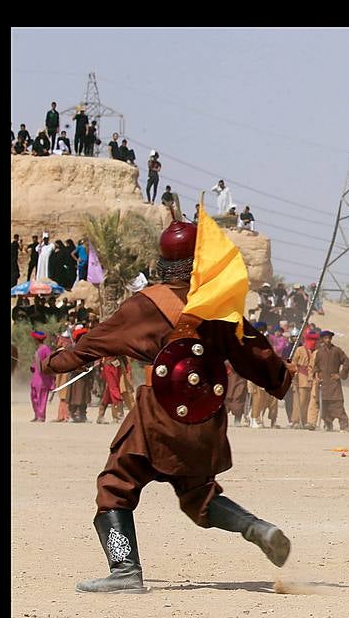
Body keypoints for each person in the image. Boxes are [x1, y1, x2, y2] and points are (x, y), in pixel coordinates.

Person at [47, 210, 296, 593]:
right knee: (198, 493)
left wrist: (53, 361)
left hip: (158, 414)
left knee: (115, 485)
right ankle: (255, 527)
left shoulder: (146, 304)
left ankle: (124, 569)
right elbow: (255, 353)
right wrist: (282, 375)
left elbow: (93, 343)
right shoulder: (218, 306)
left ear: (165, 265)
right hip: (205, 416)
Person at [312, 329, 349, 431]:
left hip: (334, 384)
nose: (328, 340)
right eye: (326, 338)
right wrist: (316, 376)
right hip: (323, 383)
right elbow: (315, 366)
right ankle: (328, 424)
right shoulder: (319, 352)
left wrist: (340, 375)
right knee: (324, 406)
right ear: (322, 339)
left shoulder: (337, 350)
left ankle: (344, 426)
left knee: (338, 406)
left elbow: (347, 362)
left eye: (329, 338)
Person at [290, 328, 321, 430]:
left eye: (314, 340)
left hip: (313, 379)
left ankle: (306, 421)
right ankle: (296, 420)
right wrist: (294, 376)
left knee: (310, 402)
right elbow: (293, 364)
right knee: (299, 401)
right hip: (301, 378)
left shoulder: (317, 351)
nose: (313, 342)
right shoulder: (300, 350)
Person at [29, 330, 53, 421]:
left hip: (43, 378)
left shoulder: (45, 349)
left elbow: (49, 362)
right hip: (35, 377)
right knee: (34, 396)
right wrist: (32, 367)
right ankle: (36, 414)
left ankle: (41, 416)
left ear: (36, 339)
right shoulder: (37, 349)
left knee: (42, 397)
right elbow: (35, 363)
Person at [96, 357, 124, 424]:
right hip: (108, 365)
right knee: (114, 388)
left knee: (109, 390)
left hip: (116, 365)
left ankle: (101, 415)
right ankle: (120, 414)